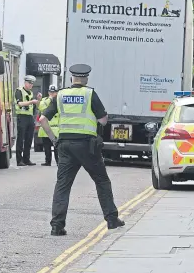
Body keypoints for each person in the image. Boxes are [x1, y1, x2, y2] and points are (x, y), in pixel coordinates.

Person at [39, 64, 125, 236]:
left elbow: (42, 119)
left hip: (64, 145)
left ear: (72, 78)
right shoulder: (89, 93)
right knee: (101, 181)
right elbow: (103, 120)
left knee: (62, 185)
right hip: (87, 146)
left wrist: (54, 140)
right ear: (85, 79)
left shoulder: (61, 95)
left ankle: (57, 225)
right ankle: (111, 219)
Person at [14, 75, 41, 166]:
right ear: (25, 82)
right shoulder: (19, 91)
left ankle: (26, 159)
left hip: (30, 117)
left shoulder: (31, 93)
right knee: (21, 139)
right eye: (29, 83)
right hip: (22, 117)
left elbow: (34, 107)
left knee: (29, 139)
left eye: (32, 84)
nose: (31, 85)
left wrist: (38, 100)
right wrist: (31, 102)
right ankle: (19, 160)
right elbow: (20, 103)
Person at [38, 85, 59, 166]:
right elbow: (41, 107)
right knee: (46, 147)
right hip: (45, 129)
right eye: (51, 92)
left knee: (57, 147)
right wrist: (50, 98)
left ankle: (58, 161)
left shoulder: (59, 100)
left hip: (56, 128)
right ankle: (48, 161)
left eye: (54, 92)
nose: (52, 93)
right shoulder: (44, 100)